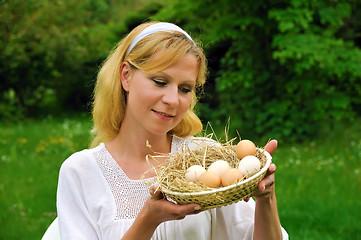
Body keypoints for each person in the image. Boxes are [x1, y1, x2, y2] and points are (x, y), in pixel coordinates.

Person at [56, 21, 289, 240]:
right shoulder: (81, 173)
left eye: (185, 88)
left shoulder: (206, 159)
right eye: (159, 81)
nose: (172, 100)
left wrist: (266, 198)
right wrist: (148, 220)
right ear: (126, 76)